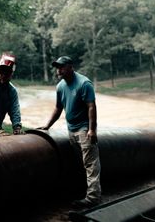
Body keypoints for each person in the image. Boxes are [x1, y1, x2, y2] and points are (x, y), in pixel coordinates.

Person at [38, 55, 101, 209]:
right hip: (71, 130)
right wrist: (47, 126)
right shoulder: (60, 86)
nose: (59, 70)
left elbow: (91, 106)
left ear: (71, 67)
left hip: (84, 130)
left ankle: (93, 197)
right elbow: (58, 108)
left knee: (90, 164)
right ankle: (81, 193)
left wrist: (92, 130)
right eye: (57, 67)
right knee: (79, 163)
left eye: (62, 66)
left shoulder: (84, 83)